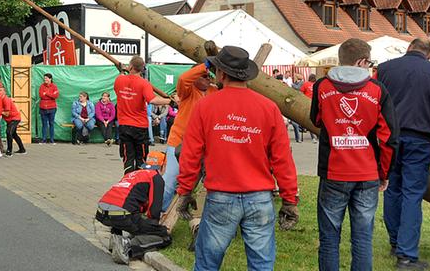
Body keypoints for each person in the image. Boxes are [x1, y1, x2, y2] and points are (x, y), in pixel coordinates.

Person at [175, 46, 299, 271]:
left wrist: (185, 191)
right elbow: (282, 159)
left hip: (221, 196)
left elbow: (190, 154)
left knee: (207, 263)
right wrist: (289, 199)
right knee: (261, 265)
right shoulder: (268, 108)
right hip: (260, 197)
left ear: (221, 74)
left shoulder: (205, 106)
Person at [310, 38, 398, 271]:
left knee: (329, 238)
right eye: (368, 62)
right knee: (362, 238)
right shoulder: (377, 90)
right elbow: (389, 139)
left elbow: (316, 119)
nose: (370, 67)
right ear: (361, 61)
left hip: (333, 172)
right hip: (367, 174)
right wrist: (384, 172)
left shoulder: (322, 86)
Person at [376, 38, 430, 269]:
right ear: (429, 55)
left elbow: (374, 102)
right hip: (420, 137)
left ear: (408, 48)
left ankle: (394, 241)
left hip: (390, 137)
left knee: (392, 188)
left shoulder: (384, 69)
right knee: (412, 194)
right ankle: (406, 255)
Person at [95, 151, 172, 265]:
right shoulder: (156, 177)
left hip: (102, 212)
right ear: (163, 166)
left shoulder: (134, 173)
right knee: (164, 236)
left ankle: (117, 236)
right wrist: (155, 226)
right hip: (122, 215)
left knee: (135, 221)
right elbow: (154, 211)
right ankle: (127, 246)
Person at [162, 54, 217, 210]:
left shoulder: (213, 91)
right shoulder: (188, 90)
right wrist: (205, 65)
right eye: (204, 76)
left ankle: (181, 210)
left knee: (198, 182)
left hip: (202, 146)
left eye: (209, 76)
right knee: (171, 180)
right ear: (195, 78)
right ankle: (157, 212)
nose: (208, 79)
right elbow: (183, 79)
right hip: (178, 142)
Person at [114, 56, 172, 174]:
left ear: (130, 66)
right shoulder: (144, 83)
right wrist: (170, 102)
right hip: (140, 127)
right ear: (142, 69)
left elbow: (121, 79)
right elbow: (152, 99)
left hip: (124, 125)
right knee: (142, 160)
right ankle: (140, 183)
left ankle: (128, 182)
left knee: (128, 158)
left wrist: (121, 71)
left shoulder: (119, 80)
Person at [1, 85, 26, 156]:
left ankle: (9, 151)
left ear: (4, 92)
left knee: (9, 132)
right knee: (14, 134)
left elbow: (6, 113)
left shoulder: (6, 99)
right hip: (10, 120)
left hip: (15, 118)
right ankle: (22, 149)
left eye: (1, 90)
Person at [38, 73, 59, 145]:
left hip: (52, 108)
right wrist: (50, 94)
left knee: (51, 123)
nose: (45, 79)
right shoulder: (41, 86)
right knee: (44, 124)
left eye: (46, 78)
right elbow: (41, 95)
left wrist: (46, 93)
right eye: (44, 78)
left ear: (50, 79)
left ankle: (52, 140)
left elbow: (55, 96)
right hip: (43, 107)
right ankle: (44, 139)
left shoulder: (54, 86)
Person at [301, 73, 319, 143]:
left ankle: (313, 136)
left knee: (310, 119)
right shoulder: (317, 84)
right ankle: (316, 135)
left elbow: (301, 92)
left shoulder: (305, 84)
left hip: (307, 102)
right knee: (316, 119)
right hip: (315, 103)